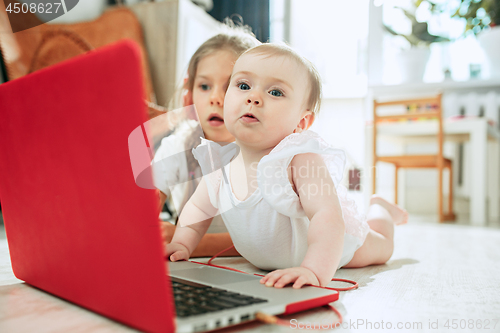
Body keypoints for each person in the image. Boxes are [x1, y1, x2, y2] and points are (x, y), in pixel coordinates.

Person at [166, 43, 408, 288]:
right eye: (243, 85)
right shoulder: (221, 164)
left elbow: (328, 217)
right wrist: (182, 243)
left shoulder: (299, 160)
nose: (253, 97)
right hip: (267, 264)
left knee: (382, 247)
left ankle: (381, 210)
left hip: (335, 249)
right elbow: (197, 208)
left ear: (302, 122)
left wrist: (313, 270)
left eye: (275, 92)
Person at [152, 23, 260, 257]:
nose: (215, 98)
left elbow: (266, 242)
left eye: (236, 86)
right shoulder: (177, 146)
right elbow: (140, 214)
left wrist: (190, 243)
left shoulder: (265, 156)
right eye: (204, 86)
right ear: (188, 96)